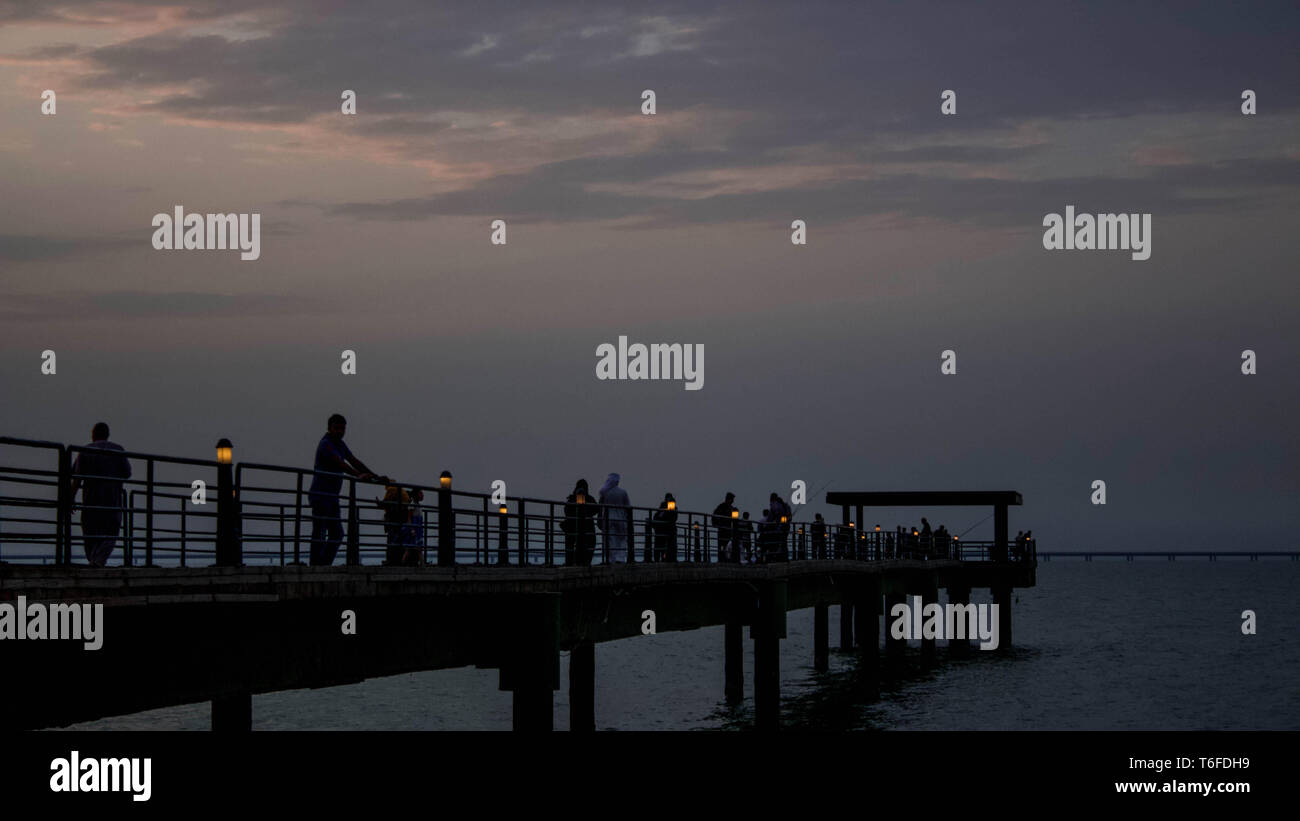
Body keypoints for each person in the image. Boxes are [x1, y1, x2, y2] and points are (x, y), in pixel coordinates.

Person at [308, 414, 380, 566]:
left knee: (337, 533)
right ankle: (316, 565)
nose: (340, 432)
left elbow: (353, 461)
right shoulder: (326, 444)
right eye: (337, 428)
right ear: (329, 428)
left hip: (332, 497)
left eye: (342, 428)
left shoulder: (340, 444)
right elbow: (341, 463)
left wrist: (375, 476)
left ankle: (323, 564)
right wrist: (358, 475)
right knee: (319, 532)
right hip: (320, 495)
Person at [69, 422, 131, 567]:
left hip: (90, 500)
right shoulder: (118, 450)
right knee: (110, 533)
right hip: (112, 500)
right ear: (107, 435)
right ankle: (98, 561)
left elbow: (76, 478)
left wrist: (71, 498)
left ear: (93, 435)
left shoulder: (84, 451)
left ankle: (93, 559)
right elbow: (127, 473)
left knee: (90, 534)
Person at [563, 479, 598, 566]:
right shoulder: (588, 498)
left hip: (572, 525)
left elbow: (567, 510)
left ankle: (570, 562)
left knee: (570, 544)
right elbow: (595, 509)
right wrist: (587, 514)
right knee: (590, 543)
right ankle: (585, 561)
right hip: (586, 526)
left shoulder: (571, 498)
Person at [597, 473, 631, 563]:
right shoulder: (623, 492)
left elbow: (600, 506)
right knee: (621, 539)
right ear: (617, 482)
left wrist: (599, 519)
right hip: (621, 518)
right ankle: (620, 558)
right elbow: (628, 506)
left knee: (609, 539)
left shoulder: (604, 492)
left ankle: (610, 559)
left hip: (608, 518)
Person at [652, 493, 678, 562]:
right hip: (662, 529)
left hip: (664, 530)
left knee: (663, 547)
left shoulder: (672, 508)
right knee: (660, 546)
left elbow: (673, 518)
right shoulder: (662, 507)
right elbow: (658, 517)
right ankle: (660, 559)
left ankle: (663, 558)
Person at [712, 492, 737, 562]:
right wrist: (718, 524)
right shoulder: (721, 507)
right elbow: (715, 516)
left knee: (727, 545)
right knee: (722, 544)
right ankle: (721, 558)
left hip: (728, 529)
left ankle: (726, 558)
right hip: (723, 529)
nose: (732, 501)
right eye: (732, 499)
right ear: (728, 499)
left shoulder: (731, 508)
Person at [402, 488, 425, 566]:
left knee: (414, 549)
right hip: (414, 528)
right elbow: (409, 517)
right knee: (414, 549)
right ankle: (422, 565)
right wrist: (411, 529)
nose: (422, 495)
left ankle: (421, 564)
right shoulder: (413, 504)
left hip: (417, 528)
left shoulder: (418, 505)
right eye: (420, 493)